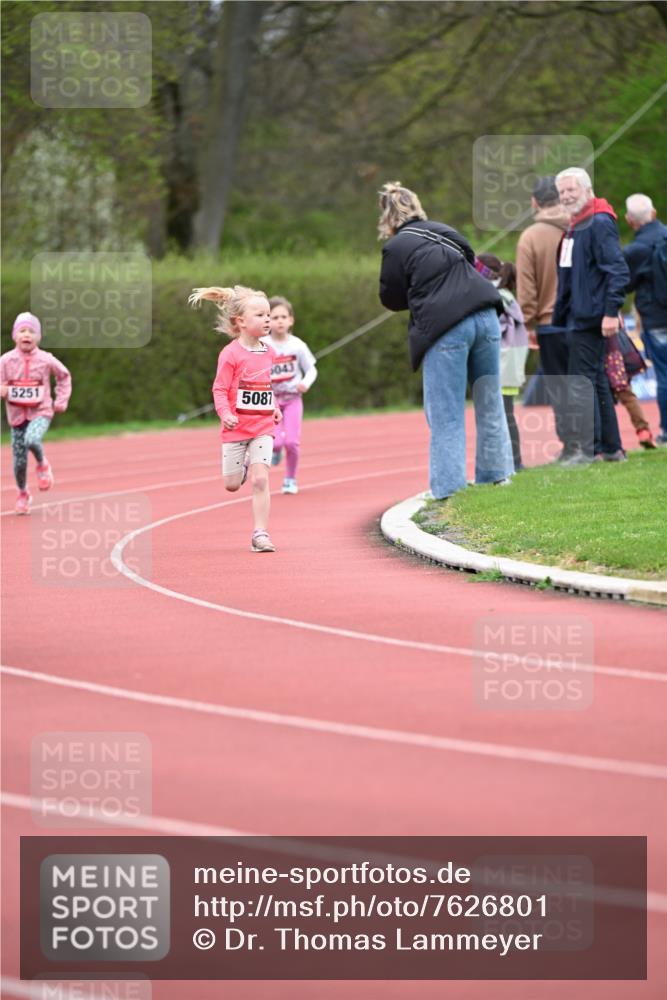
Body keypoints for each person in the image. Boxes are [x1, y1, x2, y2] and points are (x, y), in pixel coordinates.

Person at [377, 182, 513, 500]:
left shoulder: (396, 247)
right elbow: (468, 261)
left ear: (388, 217)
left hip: (447, 326)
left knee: (446, 411)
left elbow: (391, 297)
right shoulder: (446, 230)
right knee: (489, 400)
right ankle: (498, 477)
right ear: (417, 205)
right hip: (487, 316)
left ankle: (449, 490)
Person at [188, 285, 282, 553]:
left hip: (263, 426)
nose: (267, 320)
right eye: (261, 315)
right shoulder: (230, 354)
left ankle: (260, 533)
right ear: (241, 321)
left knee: (261, 479)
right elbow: (219, 388)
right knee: (231, 485)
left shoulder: (269, 352)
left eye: (268, 315)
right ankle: (240, 470)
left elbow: (266, 386)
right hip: (236, 428)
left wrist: (274, 406)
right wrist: (225, 413)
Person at [553, 167, 628, 463]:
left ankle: (589, 449)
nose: (567, 196)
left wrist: (611, 312)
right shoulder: (576, 225)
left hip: (593, 316)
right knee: (595, 380)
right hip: (580, 315)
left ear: (587, 189)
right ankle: (610, 448)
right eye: (562, 192)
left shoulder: (598, 222)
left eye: (571, 189)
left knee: (582, 382)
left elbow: (618, 270)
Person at [515, 175, 571, 459]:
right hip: (583, 321)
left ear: (534, 202)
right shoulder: (580, 226)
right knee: (589, 381)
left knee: (559, 387)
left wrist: (527, 323)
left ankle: (572, 445)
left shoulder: (531, 237)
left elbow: (527, 288)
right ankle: (600, 441)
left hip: (550, 324)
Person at [1, 312, 71, 514]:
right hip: (16, 417)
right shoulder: (5, 361)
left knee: (32, 439)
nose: (27, 335)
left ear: (38, 337)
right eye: (22, 330)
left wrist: (61, 400)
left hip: (41, 411)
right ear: (15, 335)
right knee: (19, 461)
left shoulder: (46, 359)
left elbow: (64, 376)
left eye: (31, 331)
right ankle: (23, 493)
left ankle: (42, 464)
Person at [476, 254, 529, 472]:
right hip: (512, 363)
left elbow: (496, 330)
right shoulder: (507, 296)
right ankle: (514, 460)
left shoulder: (496, 298)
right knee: (507, 414)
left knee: (503, 416)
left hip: (503, 363)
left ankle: (513, 461)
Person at [623, 193, 667, 445]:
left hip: (656, 317)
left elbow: (625, 285)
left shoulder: (635, 251)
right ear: (654, 212)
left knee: (664, 374)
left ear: (630, 220)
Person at [264, 296, 318, 495]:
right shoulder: (263, 345)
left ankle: (290, 479)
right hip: (271, 402)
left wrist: (305, 383)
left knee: (292, 443)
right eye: (274, 317)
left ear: (291, 320)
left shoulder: (298, 345)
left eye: (283, 317)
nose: (279, 321)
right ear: (267, 321)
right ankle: (275, 452)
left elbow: (312, 370)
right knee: (276, 442)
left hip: (293, 399)